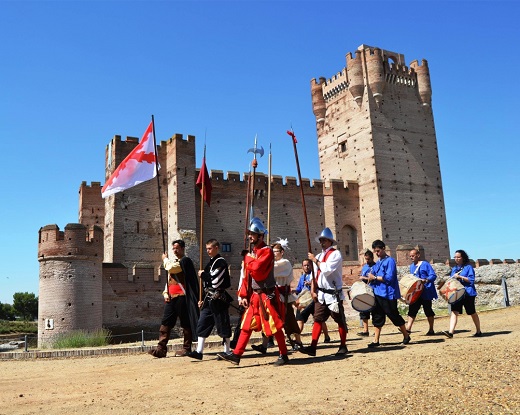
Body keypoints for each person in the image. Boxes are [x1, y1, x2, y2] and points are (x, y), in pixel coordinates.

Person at [217, 217, 289, 366]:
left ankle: (284, 354)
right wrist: (243, 294)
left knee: (274, 325)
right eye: (249, 233)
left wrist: (248, 259)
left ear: (260, 236)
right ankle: (236, 355)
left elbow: (257, 271)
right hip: (255, 296)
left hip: (267, 294)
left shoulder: (267, 251)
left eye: (253, 234)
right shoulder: (252, 253)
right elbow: (246, 276)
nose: (249, 236)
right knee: (246, 325)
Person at [299, 227, 348, 357]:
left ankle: (343, 345)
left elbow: (326, 269)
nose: (322, 243)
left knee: (339, 320)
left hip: (333, 294)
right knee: (318, 319)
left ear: (330, 241)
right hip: (321, 294)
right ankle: (312, 347)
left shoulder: (335, 254)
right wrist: (313, 290)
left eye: (324, 240)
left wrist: (314, 260)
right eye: (321, 240)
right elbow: (315, 275)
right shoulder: (320, 256)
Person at [149, 239, 199, 358]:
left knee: (185, 323)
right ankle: (161, 348)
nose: (175, 251)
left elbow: (171, 268)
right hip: (172, 298)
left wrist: (164, 259)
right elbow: (170, 280)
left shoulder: (184, 262)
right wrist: (166, 293)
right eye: (173, 248)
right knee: (166, 322)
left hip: (182, 297)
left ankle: (186, 348)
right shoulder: (175, 262)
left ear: (182, 248)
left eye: (177, 248)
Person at [251, 240, 302, 354]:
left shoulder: (285, 263)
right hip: (272, 295)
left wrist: (263, 262)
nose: (273, 253)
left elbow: (273, 270)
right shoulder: (272, 263)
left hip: (283, 295)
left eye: (276, 251)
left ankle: (297, 341)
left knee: (289, 319)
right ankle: (264, 345)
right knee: (268, 318)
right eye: (272, 251)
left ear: (282, 252)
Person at [187, 239, 233, 360]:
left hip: (219, 298)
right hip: (208, 298)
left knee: (223, 324)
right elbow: (206, 285)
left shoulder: (220, 262)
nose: (208, 251)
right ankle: (199, 351)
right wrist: (201, 298)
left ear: (216, 248)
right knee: (202, 322)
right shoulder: (210, 263)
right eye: (206, 248)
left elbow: (215, 281)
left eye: (210, 248)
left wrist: (203, 275)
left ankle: (227, 352)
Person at [362, 239, 411, 348]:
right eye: (375, 251)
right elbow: (372, 273)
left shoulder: (390, 261)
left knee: (393, 315)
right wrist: (366, 277)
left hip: (388, 293)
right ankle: (376, 341)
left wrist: (374, 277)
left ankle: (406, 335)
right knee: (377, 316)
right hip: (378, 293)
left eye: (378, 251)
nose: (377, 253)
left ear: (384, 249)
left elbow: (389, 278)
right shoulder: (378, 262)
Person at [443, 249, 482, 338]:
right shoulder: (454, 269)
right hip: (457, 293)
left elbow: (471, 280)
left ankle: (478, 331)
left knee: (472, 312)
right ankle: (451, 332)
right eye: (455, 257)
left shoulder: (468, 267)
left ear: (463, 258)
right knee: (454, 311)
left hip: (468, 293)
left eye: (458, 257)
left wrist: (460, 277)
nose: (456, 259)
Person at [294, 259, 330, 342]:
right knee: (300, 319)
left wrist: (311, 283)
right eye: (305, 265)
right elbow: (299, 289)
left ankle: (326, 336)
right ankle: (297, 339)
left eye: (308, 265)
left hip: (314, 300)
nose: (306, 267)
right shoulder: (302, 277)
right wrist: (294, 291)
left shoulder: (315, 275)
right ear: (302, 267)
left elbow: (320, 285)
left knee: (319, 319)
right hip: (304, 301)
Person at [405, 249, 437, 335]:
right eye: (410, 256)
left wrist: (426, 280)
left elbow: (433, 275)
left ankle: (431, 329)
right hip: (416, 292)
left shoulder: (425, 264)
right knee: (412, 310)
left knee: (428, 310)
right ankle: (408, 329)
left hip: (426, 292)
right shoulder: (412, 266)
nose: (411, 257)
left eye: (413, 255)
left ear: (418, 255)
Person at [357, 250, 376, 337]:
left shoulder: (376, 266)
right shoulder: (365, 267)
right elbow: (362, 277)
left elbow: (375, 278)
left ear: (372, 258)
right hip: (365, 290)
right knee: (364, 310)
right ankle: (365, 330)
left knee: (375, 312)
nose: (367, 261)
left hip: (374, 290)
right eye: (365, 259)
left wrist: (365, 277)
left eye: (368, 259)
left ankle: (376, 330)